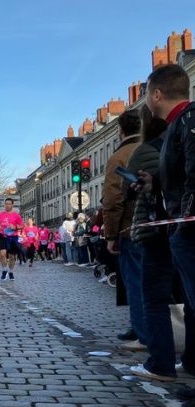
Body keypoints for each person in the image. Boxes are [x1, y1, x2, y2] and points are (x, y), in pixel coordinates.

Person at [133, 64, 195, 393]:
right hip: (178, 224)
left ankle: (164, 365)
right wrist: (153, 181)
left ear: (157, 94)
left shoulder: (186, 121)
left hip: (186, 227)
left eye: (147, 93)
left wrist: (185, 220)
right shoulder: (176, 126)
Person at [127, 104, 179, 380]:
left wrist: (143, 185)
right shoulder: (179, 139)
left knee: (154, 296)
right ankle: (188, 359)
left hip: (157, 229)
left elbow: (123, 191)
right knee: (184, 296)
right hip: (178, 225)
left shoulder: (145, 149)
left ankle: (160, 361)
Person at [101, 109, 143, 343]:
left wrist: (111, 234)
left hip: (130, 227)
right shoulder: (155, 148)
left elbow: (113, 198)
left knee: (135, 282)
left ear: (120, 131)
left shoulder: (120, 157)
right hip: (159, 225)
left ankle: (141, 331)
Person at [0, 197, 23, 280]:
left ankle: (10, 272)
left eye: (9, 204)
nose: (7, 205)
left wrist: (15, 227)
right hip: (2, 235)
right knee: (2, 253)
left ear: (12, 205)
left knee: (12, 256)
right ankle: (4, 270)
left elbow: (21, 226)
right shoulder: (0, 214)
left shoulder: (16, 216)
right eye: (6, 204)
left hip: (13, 236)